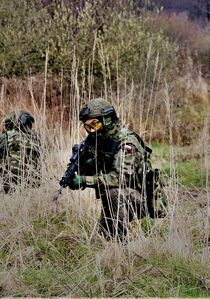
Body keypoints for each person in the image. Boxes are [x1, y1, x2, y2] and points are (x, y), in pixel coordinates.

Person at [67, 98, 160, 241]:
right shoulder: (99, 141)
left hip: (142, 199)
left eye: (95, 124)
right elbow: (98, 174)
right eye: (88, 126)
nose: (92, 130)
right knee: (103, 237)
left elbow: (120, 178)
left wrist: (83, 180)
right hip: (119, 197)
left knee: (112, 192)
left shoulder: (127, 141)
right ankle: (113, 240)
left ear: (108, 120)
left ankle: (124, 242)